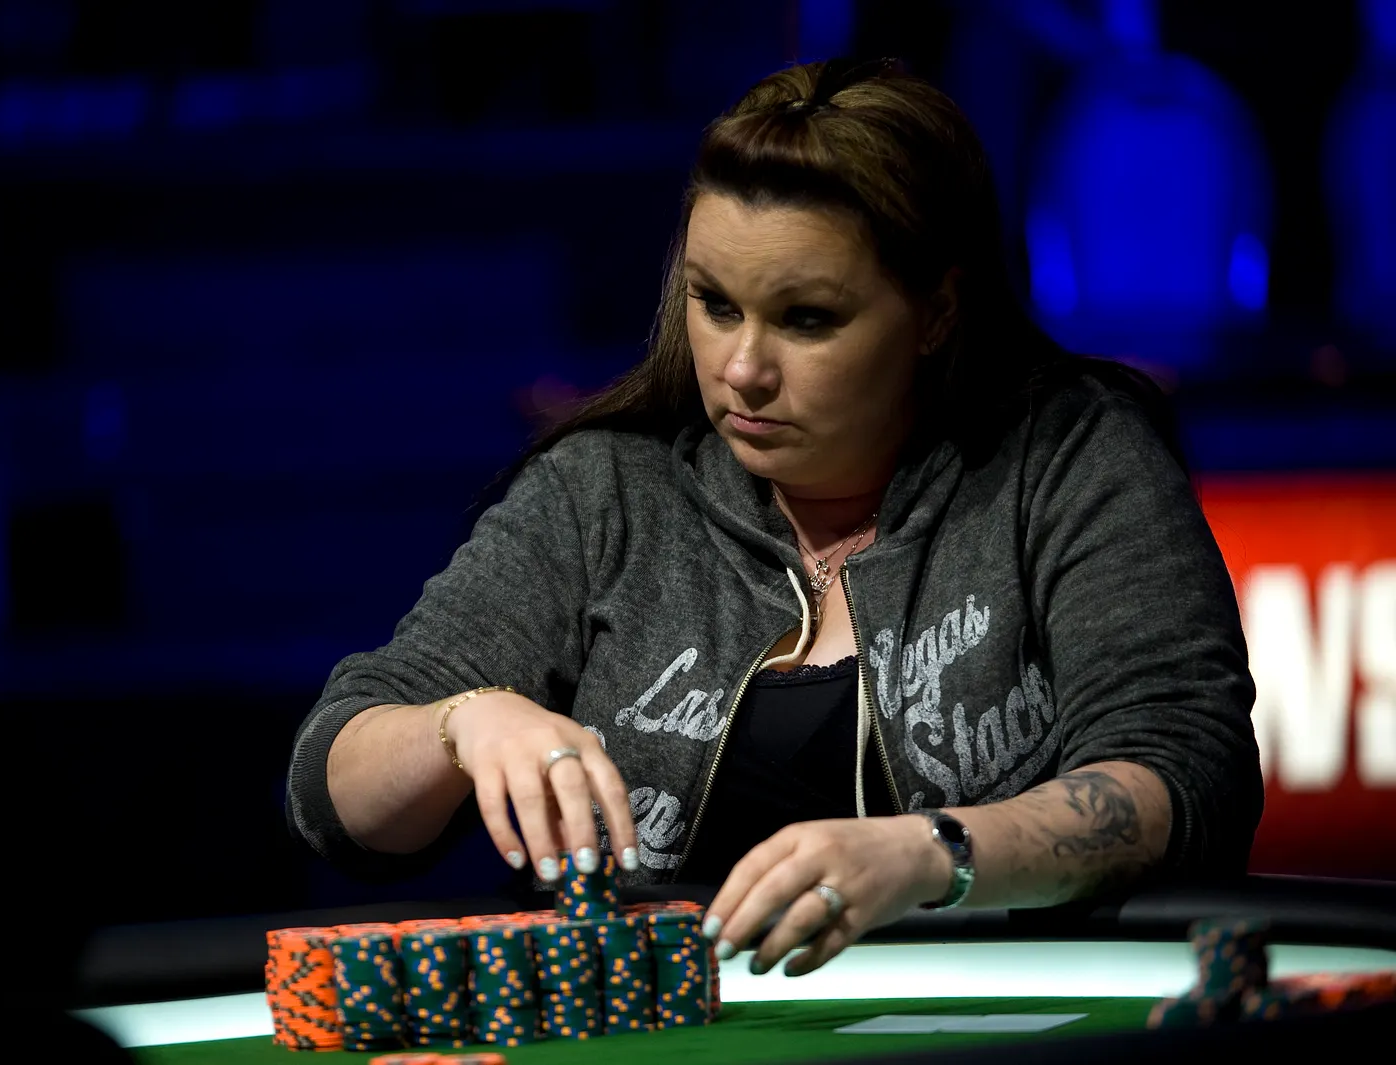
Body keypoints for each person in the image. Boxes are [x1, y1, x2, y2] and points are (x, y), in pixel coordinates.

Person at [286, 58, 1263, 978]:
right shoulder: (605, 491)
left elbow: (1186, 772)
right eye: (715, 305)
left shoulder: (1067, 456)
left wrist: (934, 854)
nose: (743, 368)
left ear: (936, 312)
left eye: (806, 319)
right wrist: (461, 722)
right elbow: (335, 794)